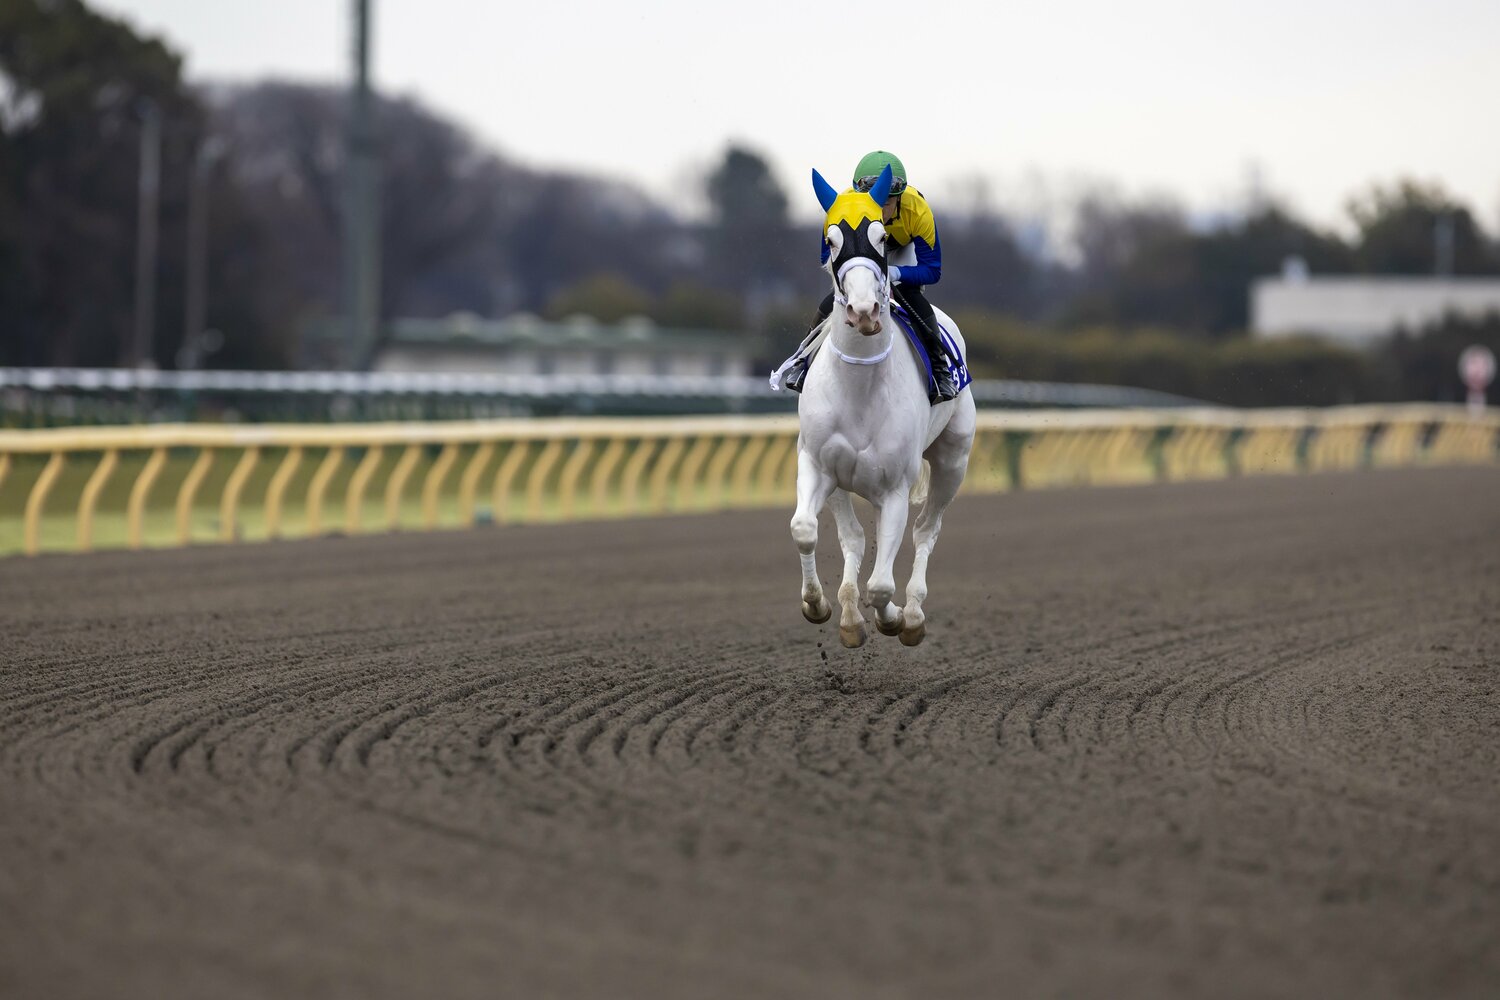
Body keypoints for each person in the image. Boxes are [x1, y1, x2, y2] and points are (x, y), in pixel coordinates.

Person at [783, 150, 960, 403]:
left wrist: (894, 274)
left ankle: (940, 370)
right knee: (835, 299)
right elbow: (827, 260)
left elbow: (933, 270)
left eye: (888, 201)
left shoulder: (918, 211)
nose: (880, 207)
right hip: (863, 257)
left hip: (902, 253)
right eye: (873, 199)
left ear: (900, 198)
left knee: (913, 298)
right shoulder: (841, 206)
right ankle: (802, 361)